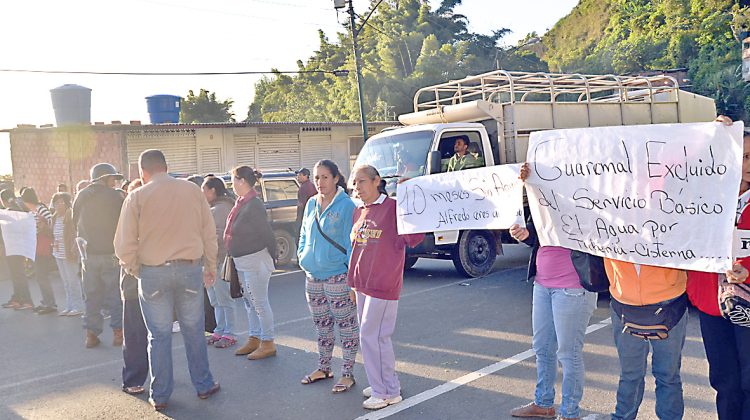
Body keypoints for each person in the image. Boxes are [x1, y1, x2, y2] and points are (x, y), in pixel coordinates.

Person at [114, 149, 220, 411]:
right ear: (166, 166)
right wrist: (211, 264)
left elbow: (123, 243)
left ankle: (160, 394)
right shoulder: (192, 190)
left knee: (158, 336)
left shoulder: (136, 197)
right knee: (194, 331)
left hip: (152, 272)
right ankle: (204, 384)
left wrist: (135, 268)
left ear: (143, 171)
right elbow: (208, 230)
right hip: (189, 268)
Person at [508, 164, 597, 420]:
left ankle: (570, 413)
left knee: (568, 354)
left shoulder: (585, 200)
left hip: (573, 287)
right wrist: (525, 235)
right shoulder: (543, 202)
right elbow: (538, 237)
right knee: (543, 348)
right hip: (543, 284)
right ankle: (544, 402)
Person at [687, 118, 750, 420]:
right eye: (744, 155)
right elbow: (666, 178)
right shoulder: (702, 197)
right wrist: (707, 137)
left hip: (748, 304)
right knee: (724, 381)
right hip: (711, 305)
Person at [348, 165, 424, 410]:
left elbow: (414, 237)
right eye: (355, 183)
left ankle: (386, 392)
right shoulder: (359, 211)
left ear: (376, 181)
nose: (357, 187)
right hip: (362, 284)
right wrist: (352, 282)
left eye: (362, 182)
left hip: (383, 284)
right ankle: (384, 383)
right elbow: (357, 250)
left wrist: (411, 197)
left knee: (373, 337)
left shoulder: (392, 208)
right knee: (373, 337)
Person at [297, 160, 359, 393]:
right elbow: (303, 232)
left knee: (346, 325)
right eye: (316, 178)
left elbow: (352, 244)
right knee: (321, 325)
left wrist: (352, 280)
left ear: (335, 178)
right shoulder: (312, 202)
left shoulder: (347, 206)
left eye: (324, 177)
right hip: (313, 275)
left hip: (337, 276)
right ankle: (324, 368)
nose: (320, 182)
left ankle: (347, 373)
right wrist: (302, 256)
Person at [606, 260, 688, 419]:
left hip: (669, 301)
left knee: (667, 375)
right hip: (623, 299)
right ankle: (623, 416)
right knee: (630, 374)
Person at [227, 166, 278, 360]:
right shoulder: (241, 203)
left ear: (241, 181)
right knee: (249, 302)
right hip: (243, 261)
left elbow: (266, 234)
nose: (232, 186)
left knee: (259, 302)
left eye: (233, 181)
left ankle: (268, 341)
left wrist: (271, 257)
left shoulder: (253, 204)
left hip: (255, 260)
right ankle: (255, 337)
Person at [73, 163, 125, 348]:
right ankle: (118, 333)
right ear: (104, 178)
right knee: (114, 295)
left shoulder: (82, 195)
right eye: (112, 178)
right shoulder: (115, 196)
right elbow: (124, 223)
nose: (114, 182)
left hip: (88, 254)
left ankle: (91, 334)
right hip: (110, 253)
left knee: (92, 296)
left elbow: (74, 221)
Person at [119, 179, 149, 396]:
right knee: (138, 334)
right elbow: (124, 252)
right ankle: (134, 379)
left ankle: (154, 376)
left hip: (150, 282)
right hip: (134, 283)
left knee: (151, 335)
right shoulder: (125, 219)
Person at [202, 175, 238, 349]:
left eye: (204, 190)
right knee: (215, 299)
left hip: (218, 261)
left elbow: (216, 238)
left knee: (224, 299)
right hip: (211, 261)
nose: (202, 194)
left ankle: (229, 333)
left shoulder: (220, 210)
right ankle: (220, 329)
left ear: (213, 191)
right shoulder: (215, 208)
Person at [20, 187, 58, 315]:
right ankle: (46, 301)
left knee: (42, 275)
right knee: (40, 275)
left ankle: (50, 303)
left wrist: (41, 227)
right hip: (35, 246)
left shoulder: (40, 208)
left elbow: (50, 222)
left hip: (42, 245)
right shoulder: (32, 211)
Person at [50, 192, 84, 317]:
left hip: (70, 253)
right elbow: (53, 234)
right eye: (56, 203)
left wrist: (75, 247)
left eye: (61, 202)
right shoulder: (54, 217)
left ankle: (78, 306)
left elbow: (77, 232)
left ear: (67, 203)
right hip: (58, 253)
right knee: (65, 281)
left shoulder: (71, 215)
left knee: (73, 281)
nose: (58, 205)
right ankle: (70, 306)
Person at [0, 189, 33, 310]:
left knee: (18, 274)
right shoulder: (19, 209)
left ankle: (26, 300)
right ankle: (17, 298)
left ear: (3, 200)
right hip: (16, 247)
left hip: (14, 247)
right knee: (16, 274)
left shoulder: (11, 212)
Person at [296, 167, 317, 238]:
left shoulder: (304, 188)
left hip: (306, 216)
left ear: (306, 176)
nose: (298, 177)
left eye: (300, 175)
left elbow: (302, 204)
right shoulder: (312, 186)